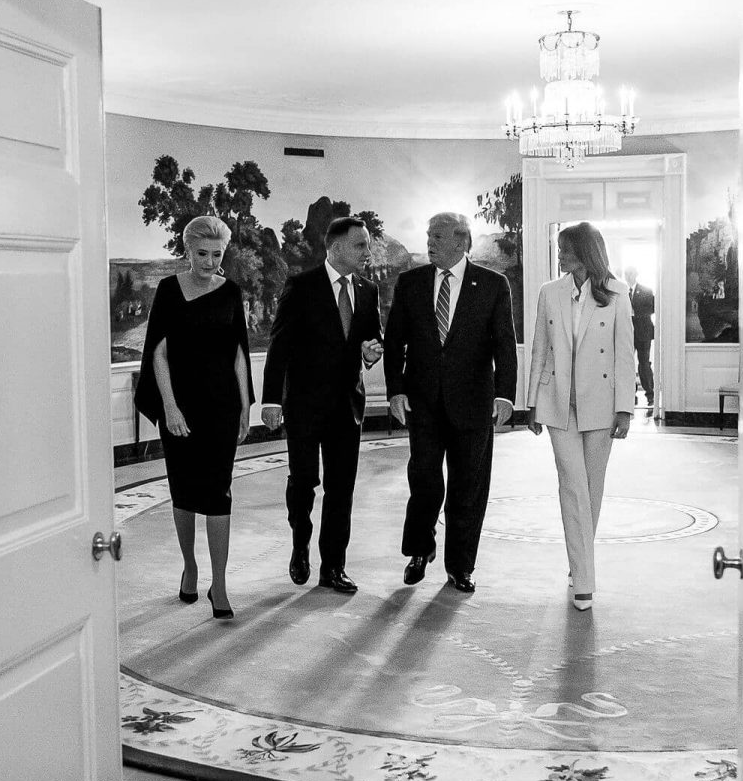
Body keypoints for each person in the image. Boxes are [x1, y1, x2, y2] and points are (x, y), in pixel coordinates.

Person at [384, 212, 517, 593]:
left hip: (473, 404)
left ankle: (460, 566)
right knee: (424, 481)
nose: (430, 243)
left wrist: (505, 395)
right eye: (429, 236)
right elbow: (394, 342)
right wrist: (396, 390)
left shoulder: (492, 285)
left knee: (467, 487)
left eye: (438, 237)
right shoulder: (410, 283)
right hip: (422, 403)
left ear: (461, 241)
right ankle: (419, 549)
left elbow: (504, 344)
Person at [132, 215, 254, 620]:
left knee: (219, 492)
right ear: (187, 251)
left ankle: (219, 583)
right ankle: (190, 567)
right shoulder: (169, 290)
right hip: (180, 405)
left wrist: (245, 406)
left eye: (217, 255)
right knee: (183, 491)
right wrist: (169, 406)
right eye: (202, 253)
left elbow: (239, 353)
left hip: (222, 406)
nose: (209, 262)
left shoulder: (231, 291)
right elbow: (158, 352)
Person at [260, 216, 385, 593]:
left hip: (348, 406)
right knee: (303, 483)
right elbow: (279, 346)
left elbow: (372, 338)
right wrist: (271, 400)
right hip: (303, 405)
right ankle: (300, 545)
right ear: (336, 247)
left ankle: (333, 567)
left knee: (341, 489)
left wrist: (371, 352)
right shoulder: (301, 286)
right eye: (361, 245)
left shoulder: (368, 290)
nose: (367, 252)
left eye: (367, 245)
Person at [527, 223, 636, 611]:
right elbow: (540, 349)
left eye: (566, 250)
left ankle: (578, 564)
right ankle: (585, 582)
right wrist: (532, 402)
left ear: (586, 252)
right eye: (559, 249)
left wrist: (625, 409)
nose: (560, 256)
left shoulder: (617, 294)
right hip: (557, 404)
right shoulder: (549, 292)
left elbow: (624, 355)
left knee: (591, 489)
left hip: (602, 406)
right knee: (572, 486)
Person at [624, 265, 656, 413]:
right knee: (627, 364)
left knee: (644, 364)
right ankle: (631, 394)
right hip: (627, 333)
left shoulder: (646, 291)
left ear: (636, 274)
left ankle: (650, 394)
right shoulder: (621, 291)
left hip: (643, 332)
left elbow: (652, 308)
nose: (629, 276)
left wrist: (635, 313)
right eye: (627, 273)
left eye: (631, 273)